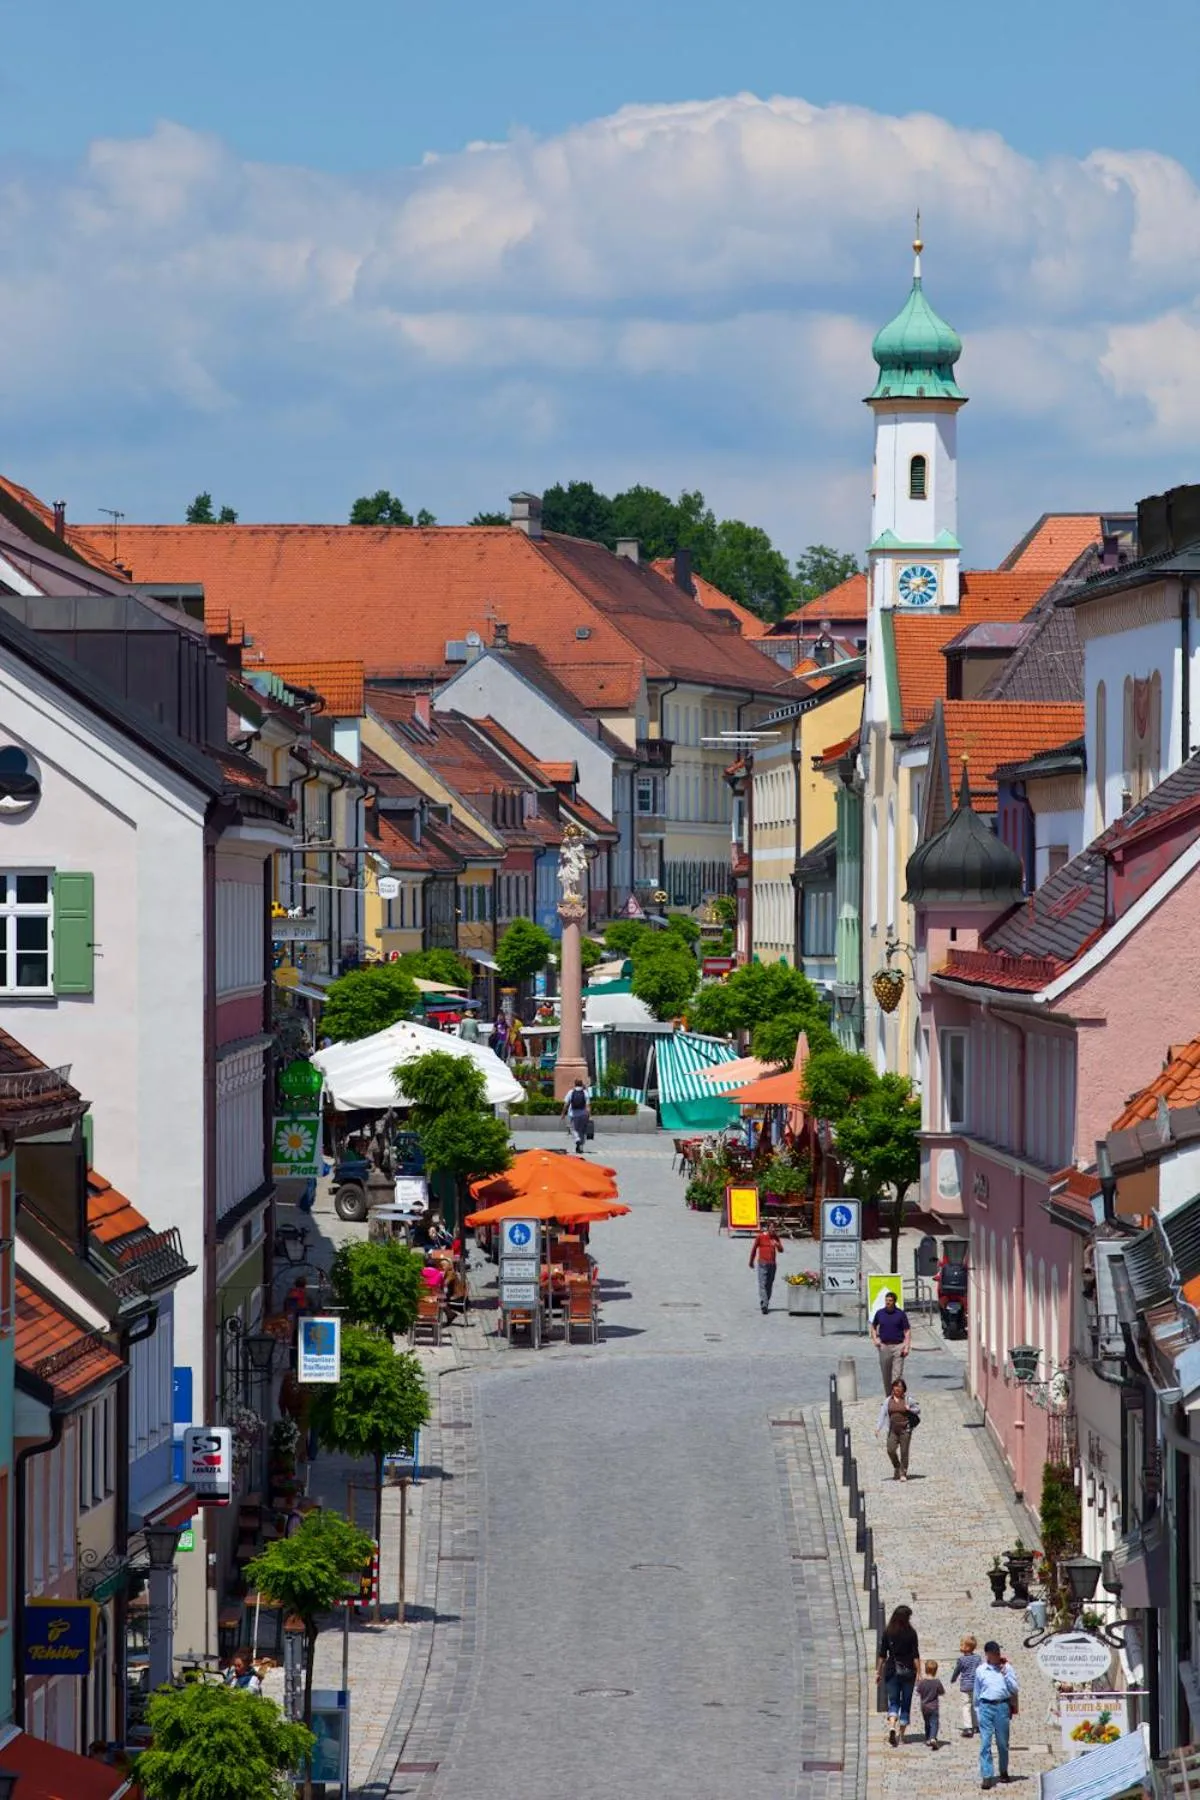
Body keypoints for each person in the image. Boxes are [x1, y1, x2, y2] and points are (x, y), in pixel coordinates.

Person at [972, 1639, 1019, 1789]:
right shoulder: (981, 1670)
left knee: (1002, 1742)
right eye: (995, 1654)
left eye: (998, 1653)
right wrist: (978, 1711)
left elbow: (1014, 1689)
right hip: (986, 1706)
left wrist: (1006, 1674)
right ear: (988, 1655)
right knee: (985, 1742)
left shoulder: (1007, 1668)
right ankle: (987, 1775)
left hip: (1002, 1706)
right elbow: (977, 1692)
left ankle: (1003, 1770)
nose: (998, 1656)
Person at [875, 1604, 920, 1747]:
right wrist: (919, 1672)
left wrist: (878, 1671)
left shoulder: (888, 1632)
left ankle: (892, 1727)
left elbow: (882, 1654)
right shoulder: (911, 1633)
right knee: (905, 1703)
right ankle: (902, 1736)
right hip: (908, 1672)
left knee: (893, 1702)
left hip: (891, 1670)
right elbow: (915, 1655)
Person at [870, 1289, 912, 1393]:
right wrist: (875, 1339)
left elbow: (907, 1330)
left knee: (897, 1375)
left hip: (898, 1346)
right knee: (886, 1374)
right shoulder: (880, 1313)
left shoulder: (900, 1314)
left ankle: (896, 1397)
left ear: (894, 1302)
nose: (888, 1302)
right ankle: (888, 1398)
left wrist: (906, 1347)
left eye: (890, 1300)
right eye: (886, 1300)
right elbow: (873, 1326)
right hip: (884, 1346)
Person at [875, 1376, 916, 1480]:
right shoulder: (888, 1400)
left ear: (903, 1389)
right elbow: (882, 1414)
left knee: (904, 1452)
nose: (897, 1389)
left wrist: (910, 1409)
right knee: (890, 1449)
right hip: (892, 1430)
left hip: (905, 1429)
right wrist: (878, 1428)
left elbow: (918, 1410)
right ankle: (897, 1466)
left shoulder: (908, 1400)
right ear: (892, 1388)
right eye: (895, 1386)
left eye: (900, 1387)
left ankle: (903, 1473)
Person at [748, 1223, 785, 1314]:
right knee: (762, 1284)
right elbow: (754, 1249)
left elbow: (781, 1250)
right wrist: (751, 1261)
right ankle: (764, 1304)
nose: (773, 1230)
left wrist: (777, 1245)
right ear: (768, 1229)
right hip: (762, 1264)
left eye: (774, 1229)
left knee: (769, 1285)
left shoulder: (775, 1237)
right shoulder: (760, 1237)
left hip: (772, 1264)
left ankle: (765, 1302)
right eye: (771, 1228)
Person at [951, 1635, 982, 1737]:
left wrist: (953, 1678)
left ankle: (968, 1727)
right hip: (976, 1685)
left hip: (965, 1686)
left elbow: (957, 1670)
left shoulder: (961, 1660)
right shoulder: (977, 1658)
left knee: (966, 1705)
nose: (960, 1646)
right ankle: (976, 1725)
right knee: (975, 1705)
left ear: (967, 1647)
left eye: (962, 1644)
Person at [917, 1660, 944, 1750]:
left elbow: (918, 1691)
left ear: (925, 1670)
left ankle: (928, 1738)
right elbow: (941, 1692)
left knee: (927, 1722)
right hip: (934, 1706)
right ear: (936, 1671)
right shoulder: (937, 1682)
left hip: (924, 1706)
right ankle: (933, 1738)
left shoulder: (922, 1682)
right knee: (934, 1722)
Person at [562, 1078, 591, 1153]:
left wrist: (563, 1114)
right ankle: (580, 1148)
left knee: (573, 1129)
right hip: (583, 1114)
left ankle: (577, 1140)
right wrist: (589, 1115)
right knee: (582, 1131)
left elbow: (566, 1104)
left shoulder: (571, 1092)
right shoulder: (585, 1092)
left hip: (573, 1114)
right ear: (581, 1084)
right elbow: (588, 1106)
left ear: (575, 1084)